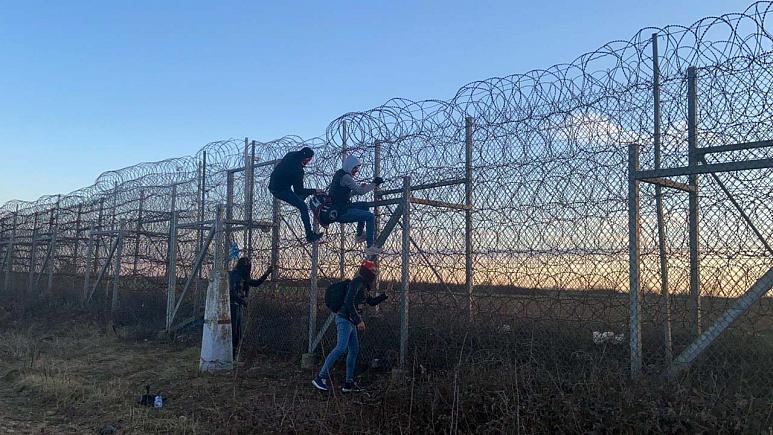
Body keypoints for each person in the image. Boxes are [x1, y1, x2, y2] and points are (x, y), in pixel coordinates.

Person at [312, 260, 387, 393]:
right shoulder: (357, 282)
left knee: (353, 350)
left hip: (350, 321)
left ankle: (348, 383)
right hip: (344, 319)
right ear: (368, 273)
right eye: (373, 272)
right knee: (341, 347)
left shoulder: (363, 285)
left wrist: (385, 295)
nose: (374, 275)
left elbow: (370, 302)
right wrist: (358, 320)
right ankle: (320, 378)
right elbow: (348, 301)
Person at [328, 155, 384, 256]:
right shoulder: (346, 177)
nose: (356, 171)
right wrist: (374, 184)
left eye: (357, 169)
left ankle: (359, 235)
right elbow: (361, 192)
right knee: (370, 216)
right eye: (354, 168)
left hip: (340, 207)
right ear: (350, 166)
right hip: (341, 212)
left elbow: (343, 195)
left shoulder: (340, 174)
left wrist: (356, 190)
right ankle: (370, 247)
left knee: (364, 206)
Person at [269, 147, 324, 243]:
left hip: (274, 184)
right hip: (281, 190)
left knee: (300, 198)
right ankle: (309, 235)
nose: (309, 162)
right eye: (309, 160)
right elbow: (299, 190)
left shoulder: (290, 155)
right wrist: (315, 191)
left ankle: (301, 199)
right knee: (303, 206)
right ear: (307, 159)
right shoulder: (298, 170)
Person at [229, 257, 272, 357]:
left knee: (237, 333)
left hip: (237, 306)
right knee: (233, 333)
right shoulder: (234, 275)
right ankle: (231, 356)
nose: (248, 268)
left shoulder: (243, 276)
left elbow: (255, 283)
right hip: (232, 306)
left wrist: (267, 273)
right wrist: (242, 301)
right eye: (246, 266)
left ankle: (233, 356)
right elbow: (231, 292)